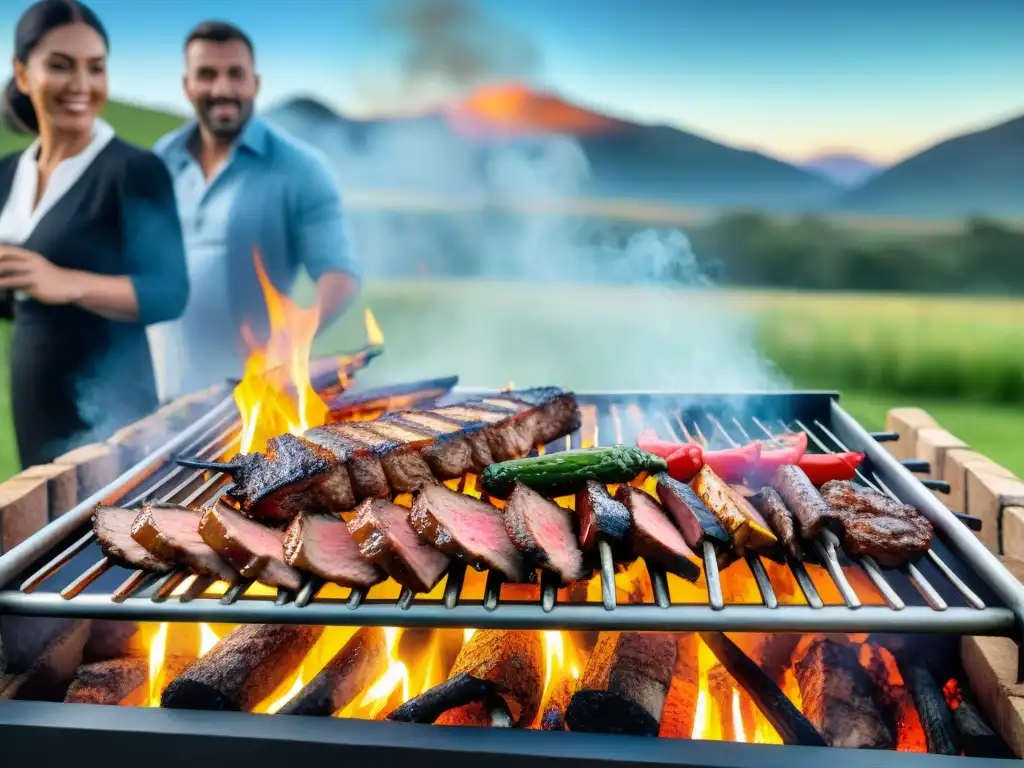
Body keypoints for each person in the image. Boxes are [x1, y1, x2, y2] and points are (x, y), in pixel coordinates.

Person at [0, 0, 189, 469]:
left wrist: (68, 283)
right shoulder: (7, 173)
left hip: (115, 406)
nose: (81, 85)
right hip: (33, 400)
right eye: (61, 67)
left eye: (95, 68)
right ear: (22, 74)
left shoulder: (133, 170)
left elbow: (169, 292)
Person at [149, 20, 359, 401]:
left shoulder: (300, 167)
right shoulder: (160, 160)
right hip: (161, 395)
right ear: (186, 85)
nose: (223, 88)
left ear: (255, 83)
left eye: (235, 74)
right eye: (207, 74)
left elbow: (339, 274)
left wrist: (294, 336)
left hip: (251, 396)